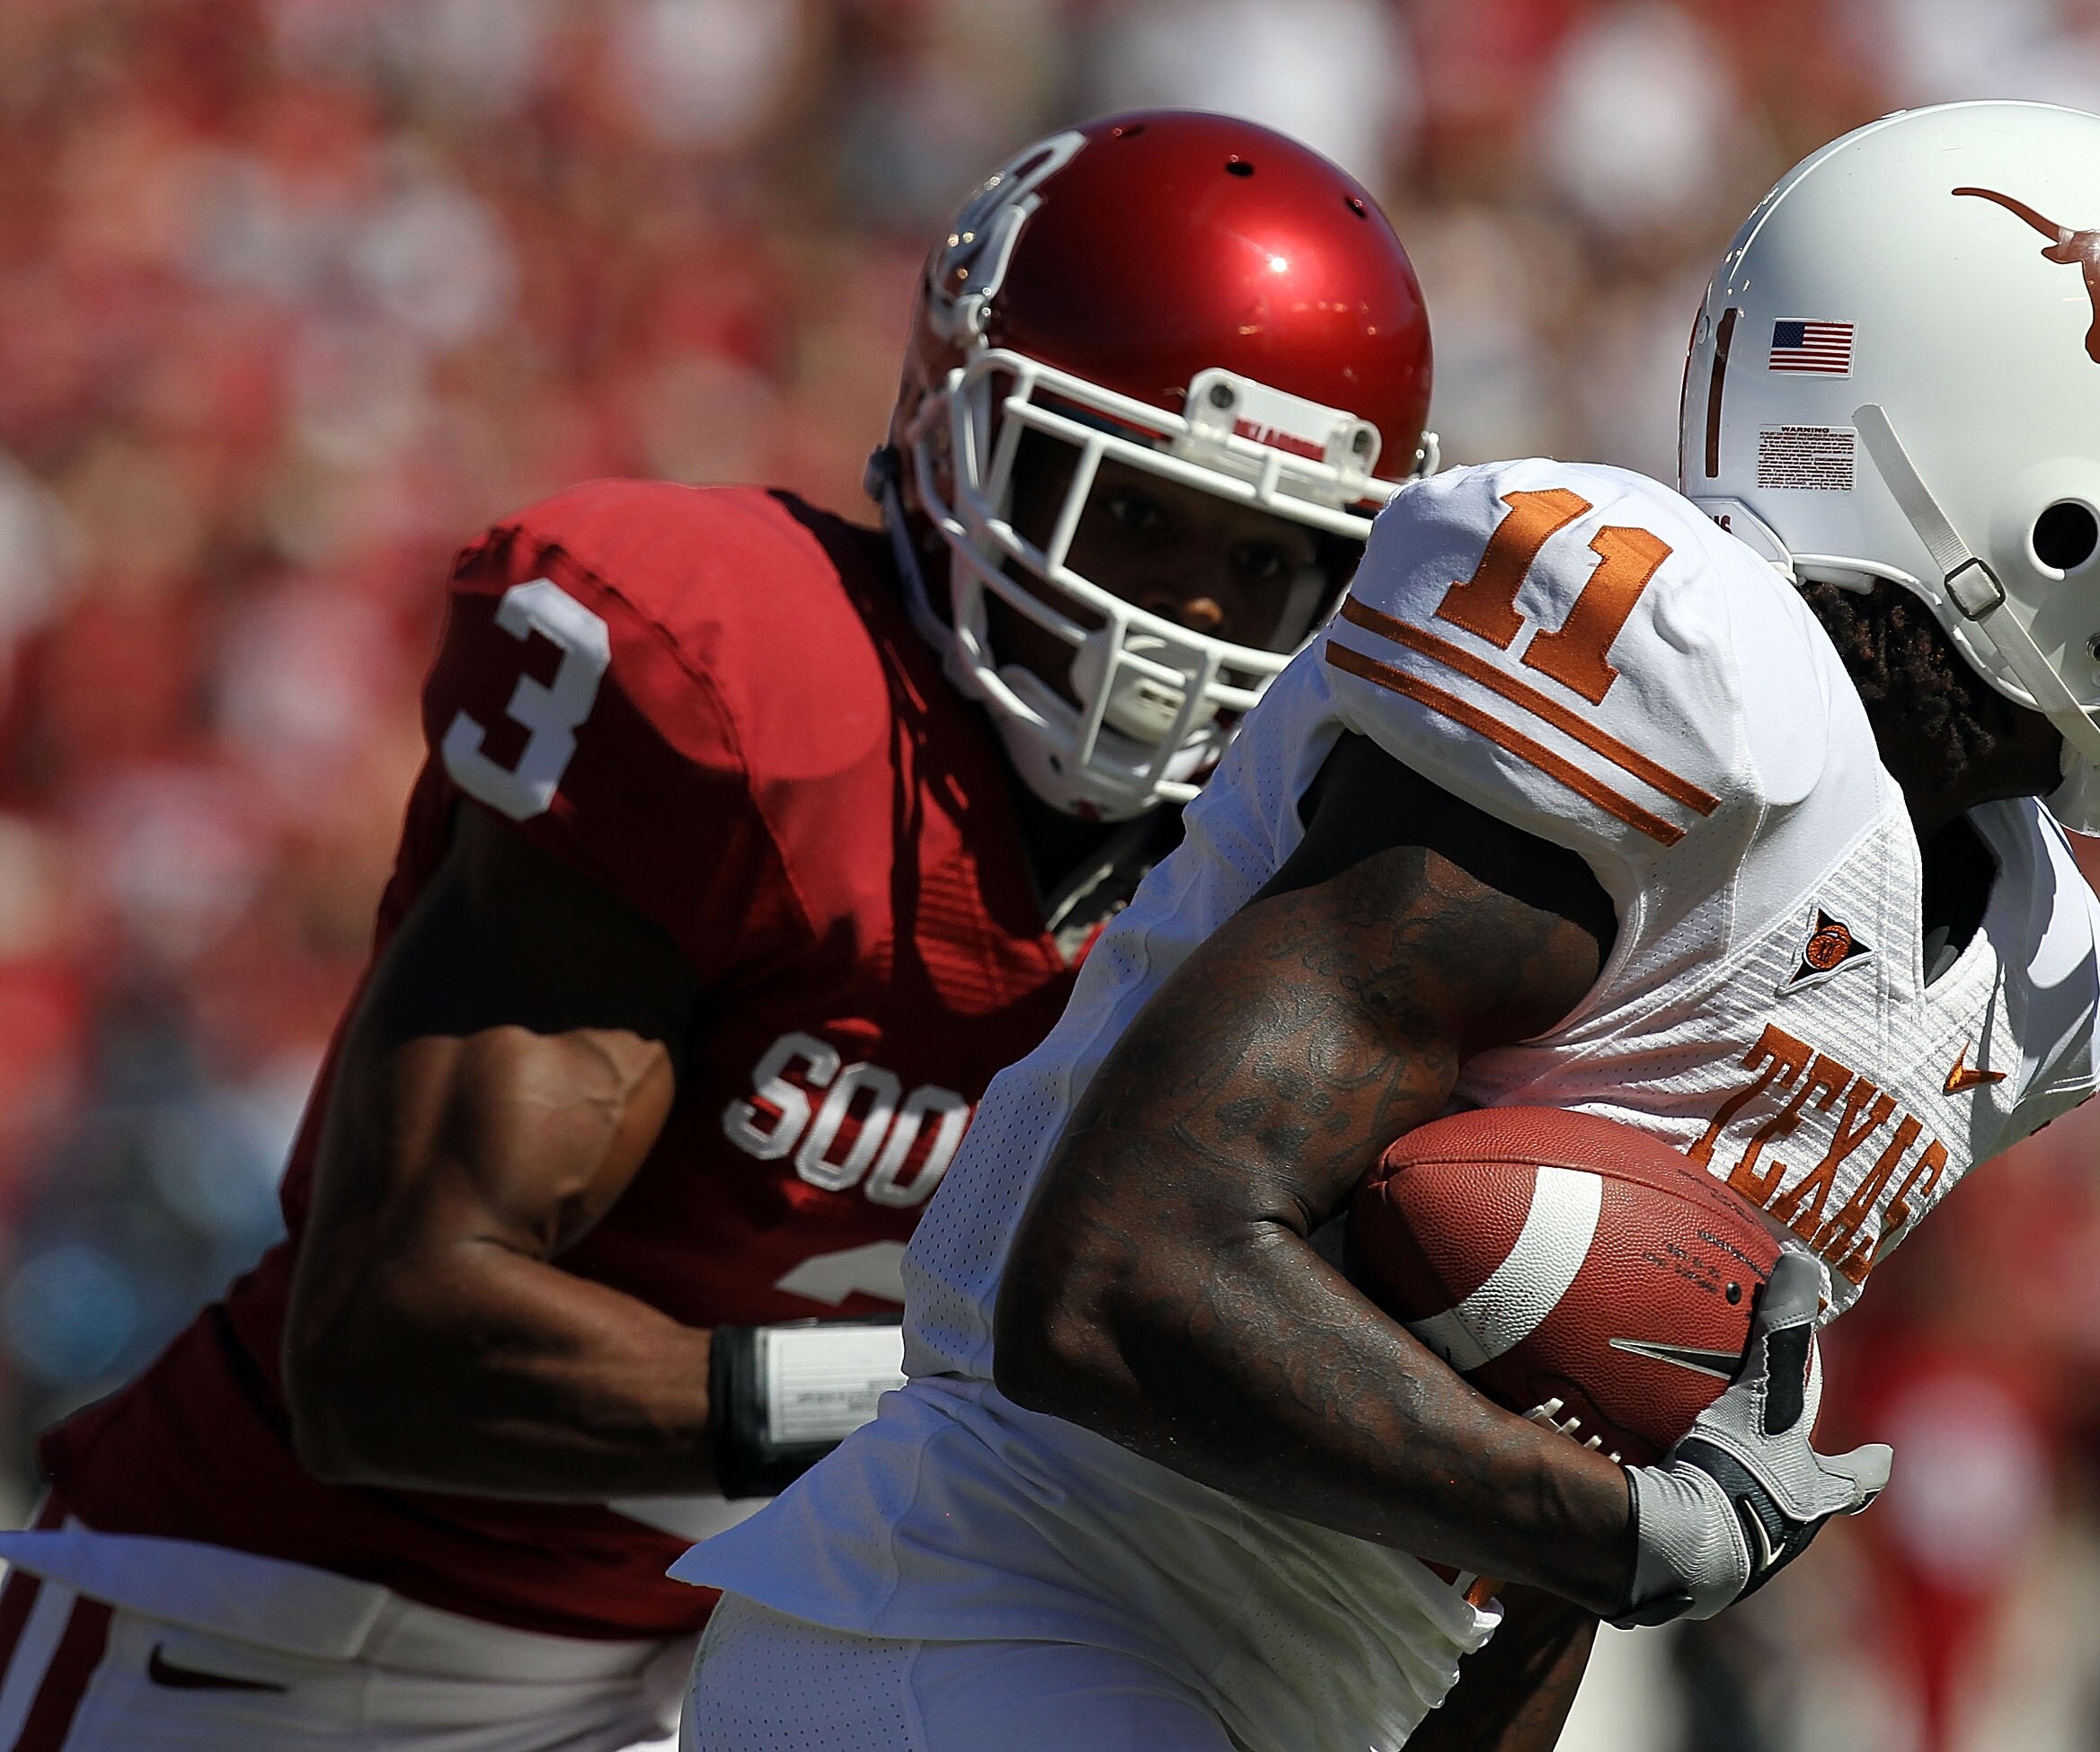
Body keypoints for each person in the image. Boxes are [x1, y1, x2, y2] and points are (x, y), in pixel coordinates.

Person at [675, 100, 2100, 1752]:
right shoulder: (1686, 668)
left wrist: (1606, 1533)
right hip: (1009, 1605)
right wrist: (1624, 1532)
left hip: (1326, 1687)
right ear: (2034, 490)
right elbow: (1124, 1270)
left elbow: (1564, 1514)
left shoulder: (2035, 976)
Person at [0, 113, 1450, 1751]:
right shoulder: (728, 688)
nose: (1188, 613)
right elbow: (389, 1346)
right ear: (959, 429)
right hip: (277, 1642)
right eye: (1132, 515)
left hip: (717, 1673)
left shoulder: (1277, 861)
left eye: (1265, 559)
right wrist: (935, 1395)